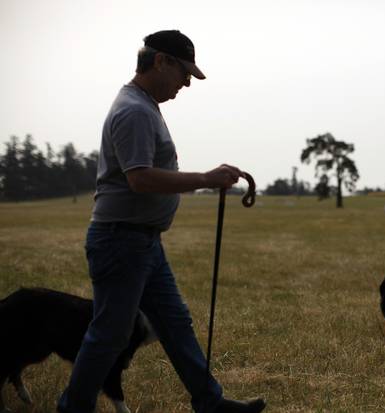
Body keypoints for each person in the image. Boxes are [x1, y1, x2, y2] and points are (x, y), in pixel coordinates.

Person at [57, 30, 266, 413]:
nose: (186, 82)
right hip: (121, 241)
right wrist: (205, 179)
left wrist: (209, 177)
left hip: (143, 242)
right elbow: (140, 178)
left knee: (174, 321)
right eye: (184, 71)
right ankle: (74, 407)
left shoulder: (145, 106)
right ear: (161, 61)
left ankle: (210, 402)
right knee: (111, 333)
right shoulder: (134, 111)